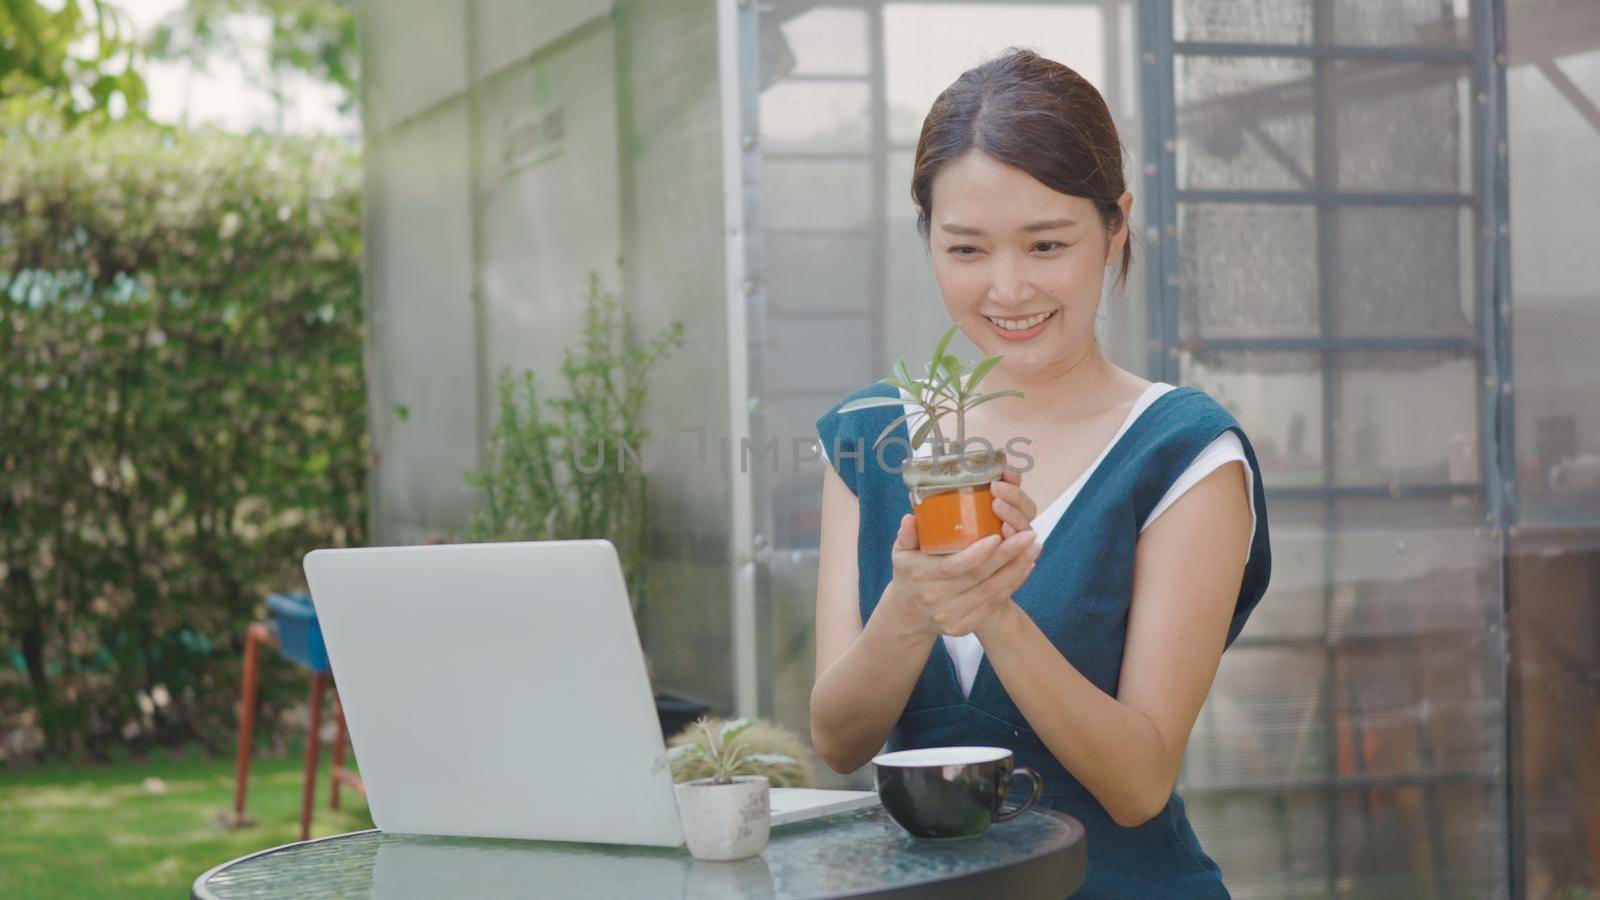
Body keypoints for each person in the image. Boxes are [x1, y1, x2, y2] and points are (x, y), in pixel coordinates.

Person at [810, 48, 1271, 898]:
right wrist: (914, 604)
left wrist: (994, 611)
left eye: (1048, 243)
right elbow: (839, 740)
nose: (1008, 287)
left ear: (1116, 227)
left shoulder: (1183, 452)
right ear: (929, 242)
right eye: (967, 249)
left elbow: (1138, 785)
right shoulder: (871, 437)